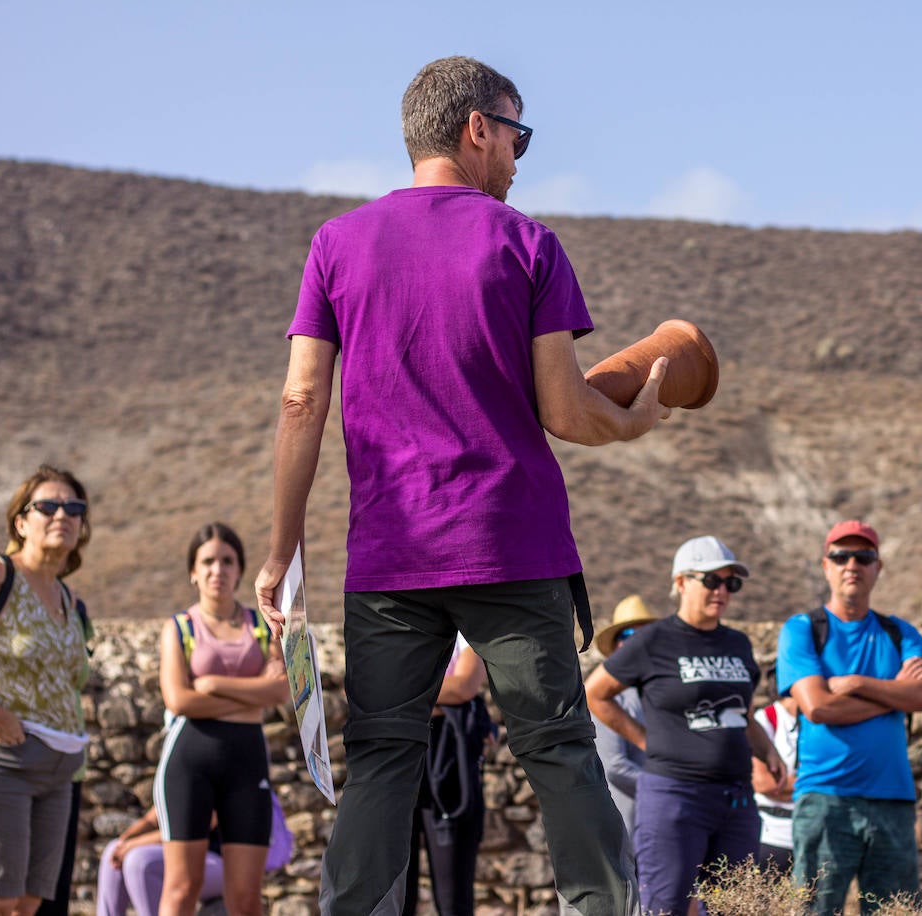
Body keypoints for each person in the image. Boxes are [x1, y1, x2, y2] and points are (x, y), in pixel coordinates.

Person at [252, 55, 671, 916]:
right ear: (477, 128)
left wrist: (280, 551)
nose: (520, 157)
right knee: (558, 749)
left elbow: (301, 401)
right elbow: (567, 409)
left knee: (381, 759)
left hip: (389, 559)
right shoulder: (526, 243)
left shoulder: (336, 244)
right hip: (510, 545)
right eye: (517, 133)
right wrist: (636, 420)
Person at [586, 536, 784, 916]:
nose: (722, 590)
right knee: (667, 909)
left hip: (736, 799)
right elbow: (596, 695)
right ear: (680, 582)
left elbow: (742, 714)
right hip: (675, 797)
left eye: (731, 583)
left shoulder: (738, 644)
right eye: (711, 580)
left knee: (734, 907)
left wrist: (767, 750)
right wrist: (646, 741)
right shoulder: (653, 641)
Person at [775, 520, 922, 914]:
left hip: (892, 799)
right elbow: (819, 708)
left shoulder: (899, 632)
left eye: (863, 556)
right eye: (841, 556)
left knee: (894, 911)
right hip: (825, 798)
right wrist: (893, 695)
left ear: (877, 567)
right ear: (825, 565)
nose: (852, 564)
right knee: (815, 910)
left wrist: (856, 682)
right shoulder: (802, 630)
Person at [155, 523, 289, 916]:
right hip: (188, 766)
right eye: (208, 561)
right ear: (193, 572)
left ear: (240, 570)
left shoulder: (264, 627)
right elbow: (179, 700)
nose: (218, 569)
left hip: (247, 766)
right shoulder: (179, 628)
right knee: (182, 889)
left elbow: (281, 692)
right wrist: (250, 700)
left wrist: (212, 683)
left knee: (247, 899)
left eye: (227, 561)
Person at [0, 465, 94, 916]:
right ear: (21, 522)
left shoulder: (69, 599)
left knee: (28, 906)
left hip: (60, 770)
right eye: (47, 505)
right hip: (2, 761)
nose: (61, 513)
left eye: (73, 507)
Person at [403, 634, 496, 916]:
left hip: (449, 759)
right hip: (401, 755)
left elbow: (463, 686)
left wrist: (398, 693)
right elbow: (362, 684)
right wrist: (438, 698)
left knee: (452, 896)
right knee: (394, 896)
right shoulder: (396, 618)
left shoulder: (465, 629)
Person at [95, 793, 292, 916]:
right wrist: (125, 841)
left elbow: (194, 829)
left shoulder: (215, 764)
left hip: (224, 861)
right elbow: (151, 818)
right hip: (188, 855)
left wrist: (132, 845)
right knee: (113, 850)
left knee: (139, 863)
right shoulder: (178, 765)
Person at [590, 595, 659, 845]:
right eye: (630, 635)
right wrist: (670, 788)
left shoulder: (661, 693)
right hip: (628, 827)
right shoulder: (612, 699)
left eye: (648, 635)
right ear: (618, 645)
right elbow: (615, 767)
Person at [751, 693, 799, 872]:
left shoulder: (828, 720)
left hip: (815, 837)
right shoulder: (766, 718)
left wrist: (786, 784)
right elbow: (764, 783)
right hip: (771, 837)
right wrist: (817, 786)